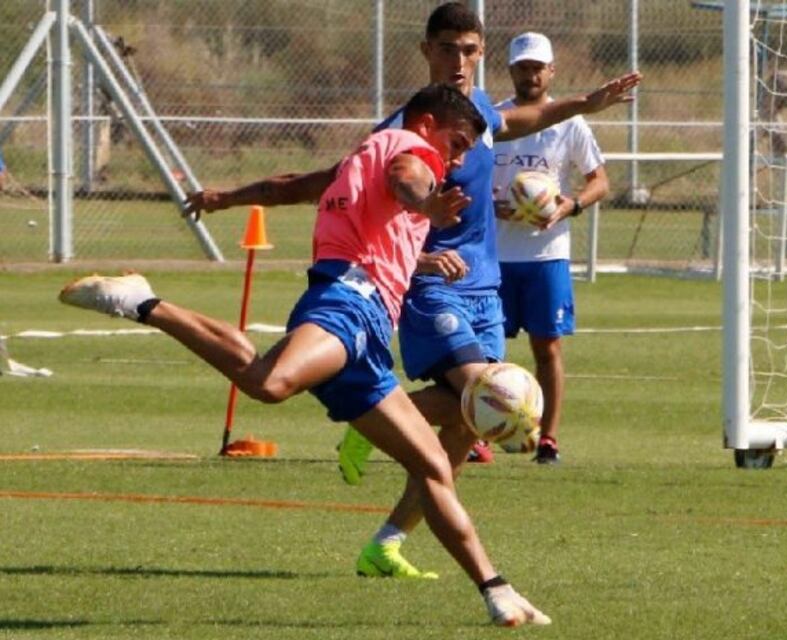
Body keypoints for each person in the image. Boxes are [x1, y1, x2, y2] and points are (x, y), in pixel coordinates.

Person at [58, 84, 550, 628]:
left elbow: (336, 208)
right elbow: (407, 178)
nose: (457, 160)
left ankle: (497, 591)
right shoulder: (415, 151)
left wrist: (424, 258)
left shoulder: (364, 154)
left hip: (364, 324)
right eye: (457, 144)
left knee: (433, 464)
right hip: (349, 304)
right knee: (270, 383)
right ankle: (143, 302)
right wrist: (427, 204)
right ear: (430, 123)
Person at [334, 1, 640, 581]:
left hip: (486, 287)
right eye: (447, 48)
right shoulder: (403, 129)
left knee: (467, 421)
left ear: (482, 55)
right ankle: (371, 416)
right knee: (492, 394)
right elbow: (372, 199)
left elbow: (527, 121)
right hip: (433, 287)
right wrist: (419, 248)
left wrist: (585, 104)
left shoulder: (479, 111)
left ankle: (388, 540)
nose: (459, 60)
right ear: (426, 51)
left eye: (470, 50)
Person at [492, 32, 609, 464]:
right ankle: (481, 434)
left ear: (551, 71)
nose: (531, 74)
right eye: (523, 67)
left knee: (548, 348)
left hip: (546, 255)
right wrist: (492, 207)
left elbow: (600, 180)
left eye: (538, 67)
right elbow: (464, 178)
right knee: (487, 352)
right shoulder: (494, 120)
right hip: (496, 256)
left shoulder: (569, 122)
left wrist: (570, 205)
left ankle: (548, 438)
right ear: (511, 71)